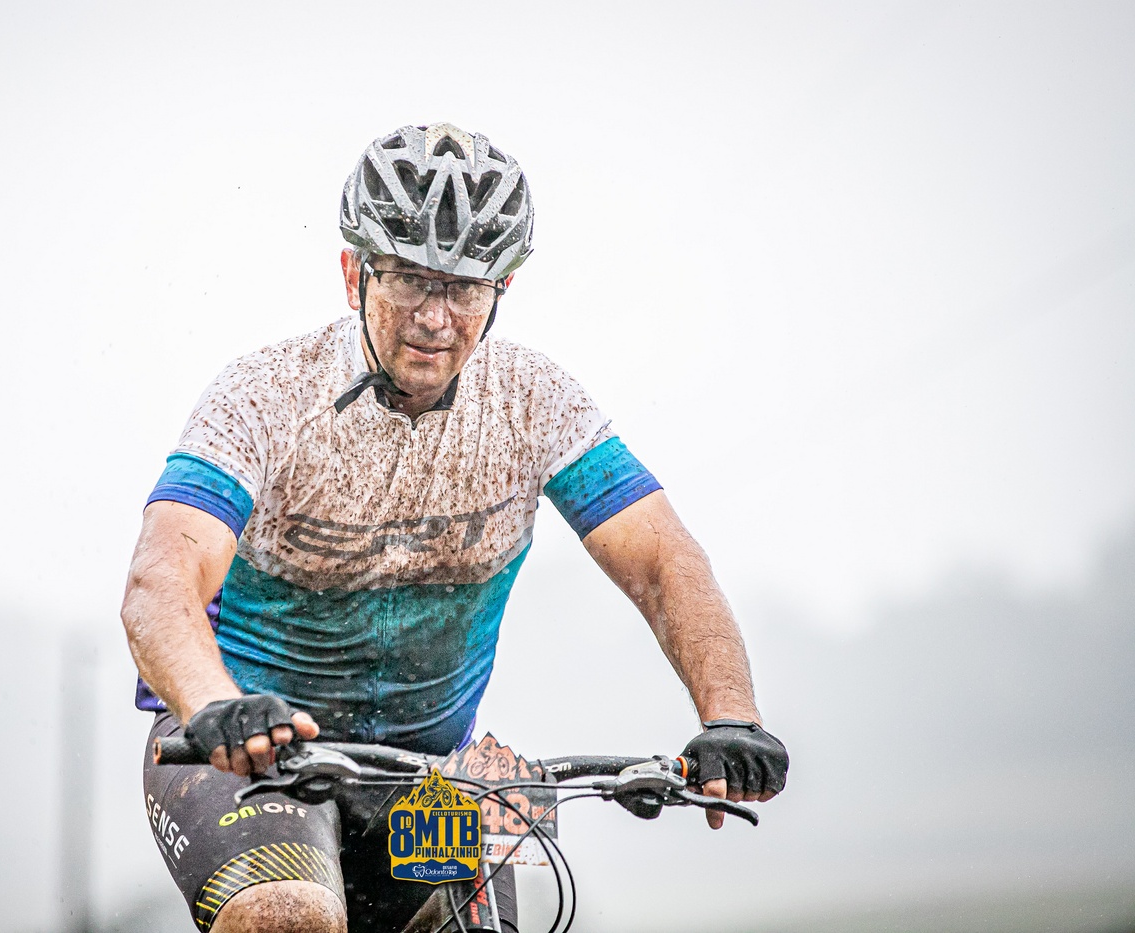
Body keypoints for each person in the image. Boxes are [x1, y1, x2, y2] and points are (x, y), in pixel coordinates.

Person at [121, 122, 788, 933]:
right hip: (247, 754)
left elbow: (661, 560)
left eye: (466, 289)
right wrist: (213, 705)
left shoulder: (534, 403)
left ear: (501, 291)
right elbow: (161, 581)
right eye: (410, 279)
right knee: (288, 914)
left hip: (426, 774)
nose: (436, 318)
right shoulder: (265, 395)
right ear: (354, 273)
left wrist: (730, 714)